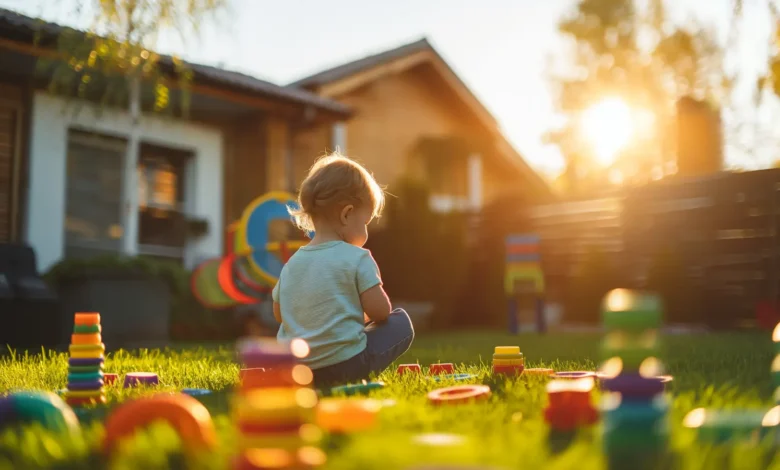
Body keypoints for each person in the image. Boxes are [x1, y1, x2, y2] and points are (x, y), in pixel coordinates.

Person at [272, 153, 414, 386]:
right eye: (365, 222)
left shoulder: (292, 264)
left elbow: (280, 313)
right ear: (347, 214)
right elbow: (380, 312)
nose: (366, 232)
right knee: (400, 322)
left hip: (299, 373)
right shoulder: (357, 258)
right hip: (347, 366)